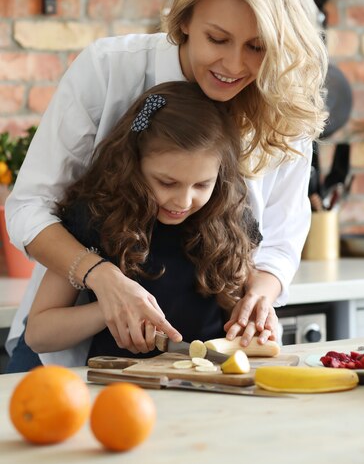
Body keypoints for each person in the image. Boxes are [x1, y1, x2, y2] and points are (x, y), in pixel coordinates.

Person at [5, 0, 328, 369]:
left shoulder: (282, 100)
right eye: (217, 39)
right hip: (66, 360)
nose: (235, 65)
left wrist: (259, 295)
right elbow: (29, 208)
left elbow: (282, 236)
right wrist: (105, 283)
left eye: (257, 47)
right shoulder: (108, 70)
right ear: (184, 22)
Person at [24, 81, 263, 360]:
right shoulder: (94, 219)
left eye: (201, 185)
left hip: (211, 383)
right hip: (121, 389)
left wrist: (254, 312)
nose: (183, 201)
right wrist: (110, 306)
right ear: (134, 164)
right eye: (167, 182)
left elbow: (247, 292)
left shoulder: (229, 219)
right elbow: (38, 334)